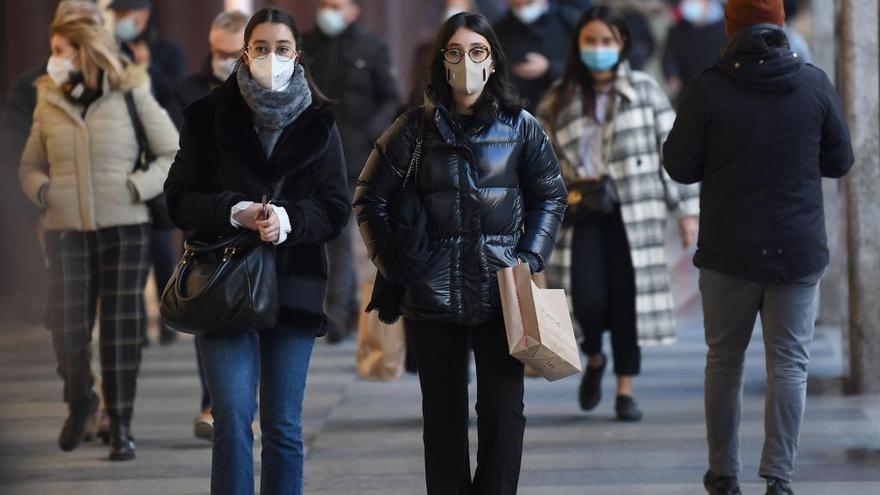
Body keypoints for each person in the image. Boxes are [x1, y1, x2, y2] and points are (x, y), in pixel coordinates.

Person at [354, 13, 567, 494]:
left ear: (493, 63)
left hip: (502, 293)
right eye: (455, 52)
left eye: (477, 52)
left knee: (504, 413)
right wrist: (395, 264)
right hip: (433, 294)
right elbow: (369, 196)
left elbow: (550, 195)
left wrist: (529, 258)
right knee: (444, 418)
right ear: (441, 62)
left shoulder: (520, 126)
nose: (466, 62)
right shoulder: (412, 129)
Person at [662, 0, 854, 493]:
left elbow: (680, 165)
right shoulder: (813, 83)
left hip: (729, 250)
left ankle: (724, 474)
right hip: (797, 248)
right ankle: (779, 479)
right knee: (789, 363)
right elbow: (840, 160)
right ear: (780, 24)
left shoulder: (708, 88)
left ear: (730, 27)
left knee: (724, 361)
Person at [163, 8, 350, 494]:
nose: (272, 57)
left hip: (295, 283)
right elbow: (178, 199)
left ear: (297, 54)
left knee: (284, 426)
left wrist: (289, 220)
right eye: (261, 47)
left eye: (282, 48)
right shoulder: (207, 116)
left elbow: (334, 208)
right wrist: (234, 210)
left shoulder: (318, 121)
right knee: (230, 421)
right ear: (244, 52)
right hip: (223, 283)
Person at [18, 15, 177, 461]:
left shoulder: (131, 93)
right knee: (67, 328)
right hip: (64, 230)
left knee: (121, 330)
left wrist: (135, 188)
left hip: (125, 228)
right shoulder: (47, 100)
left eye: (62, 50)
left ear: (86, 52)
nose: (53, 59)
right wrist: (43, 191)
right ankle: (80, 401)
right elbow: (29, 165)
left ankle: (121, 424)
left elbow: (171, 152)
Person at [538, 6, 699, 422]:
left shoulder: (645, 91)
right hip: (580, 214)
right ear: (578, 44)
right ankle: (594, 357)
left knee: (630, 300)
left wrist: (686, 212)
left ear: (622, 44)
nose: (599, 49)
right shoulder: (560, 97)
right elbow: (539, 161)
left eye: (607, 41)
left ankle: (625, 391)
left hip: (635, 213)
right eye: (590, 41)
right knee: (586, 300)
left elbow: (673, 153)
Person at [168, 9, 249, 442]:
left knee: (252, 313)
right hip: (207, 225)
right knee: (208, 312)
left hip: (256, 225)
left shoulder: (265, 94)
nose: (224, 60)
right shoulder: (188, 92)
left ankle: (242, 405)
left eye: (233, 54)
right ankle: (211, 402)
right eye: (218, 52)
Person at [0, 0, 105, 325]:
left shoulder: (119, 80)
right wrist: (39, 194)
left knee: (108, 284)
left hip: (109, 199)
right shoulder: (31, 84)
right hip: (56, 202)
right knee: (67, 281)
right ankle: (75, 355)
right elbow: (16, 147)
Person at [302, 0, 401, 344]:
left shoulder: (372, 48)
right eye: (326, 3)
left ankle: (337, 314)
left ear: (355, 10)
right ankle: (332, 306)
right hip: (309, 156)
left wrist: (369, 135)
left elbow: (391, 98)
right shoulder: (305, 44)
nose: (328, 10)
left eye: (337, 4)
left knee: (340, 236)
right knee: (323, 235)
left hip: (353, 157)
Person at [108, 0, 186, 346]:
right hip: (123, 155)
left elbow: (175, 95)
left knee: (160, 241)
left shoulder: (168, 51)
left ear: (141, 14)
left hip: (159, 154)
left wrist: (146, 68)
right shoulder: (109, 50)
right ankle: (135, 326)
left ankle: (169, 317)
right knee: (130, 245)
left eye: (125, 15)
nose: (120, 21)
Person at [493, 0, 579, 111]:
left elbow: (582, 67)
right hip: (519, 110)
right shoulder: (500, 29)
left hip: (564, 106)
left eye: (529, 3)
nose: (522, 8)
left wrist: (549, 67)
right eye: (516, 5)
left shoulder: (569, 20)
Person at [661, 0, 726, 103]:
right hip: (689, 92)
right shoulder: (677, 30)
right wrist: (672, 75)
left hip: (722, 92)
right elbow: (669, 57)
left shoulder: (725, 28)